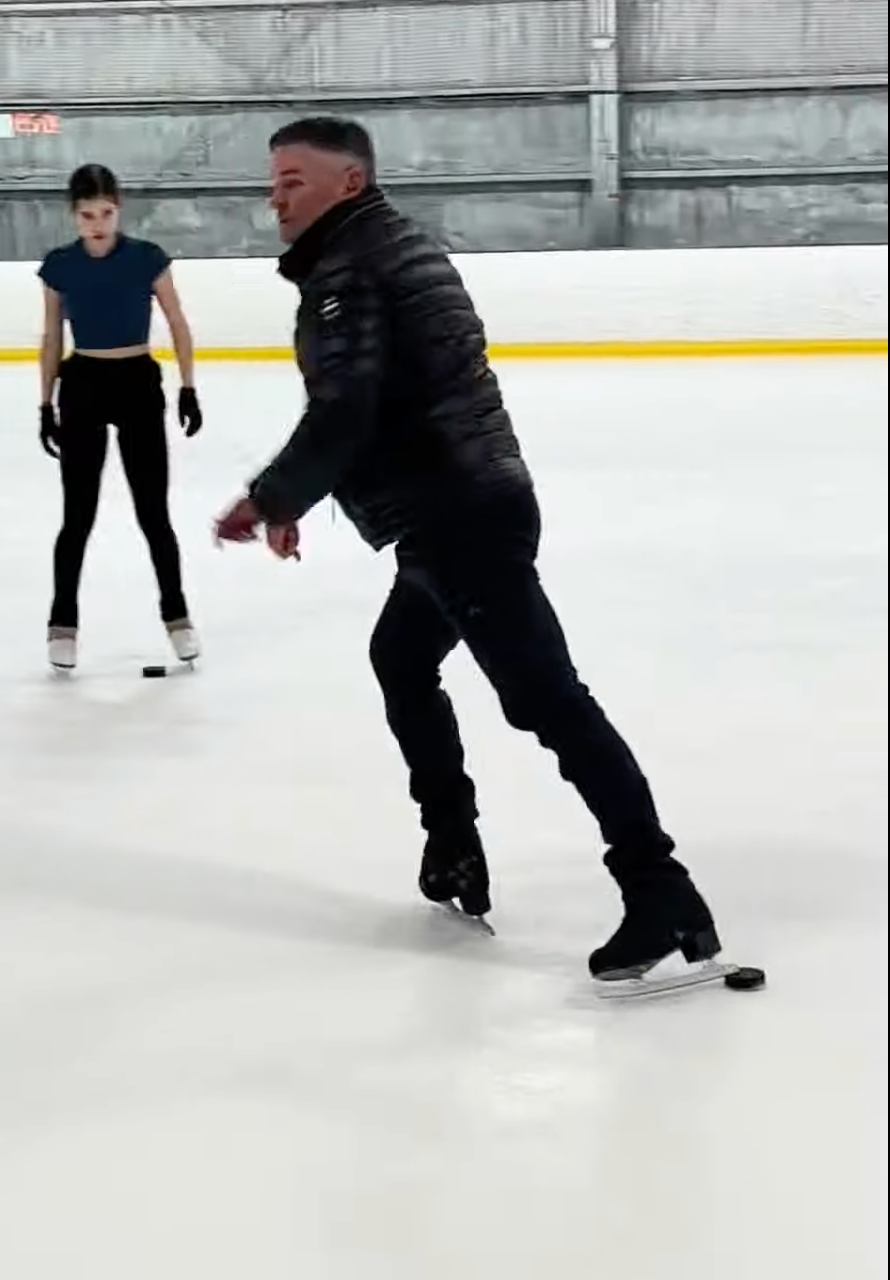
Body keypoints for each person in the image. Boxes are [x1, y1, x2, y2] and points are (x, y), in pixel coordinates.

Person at [213, 117, 721, 986]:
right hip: (471, 500)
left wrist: (270, 498)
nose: (275, 196)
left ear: (349, 182)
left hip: (458, 515)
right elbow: (390, 398)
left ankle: (661, 891)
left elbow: (349, 409)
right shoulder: (388, 250)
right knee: (401, 658)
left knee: (550, 703)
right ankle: (451, 844)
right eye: (273, 180)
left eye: (292, 179)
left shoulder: (351, 271)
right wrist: (306, 493)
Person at [38, 163, 203, 673]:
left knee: (153, 513)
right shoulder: (59, 266)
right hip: (83, 386)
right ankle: (62, 624)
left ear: (119, 208)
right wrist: (45, 403)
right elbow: (50, 337)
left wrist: (188, 386)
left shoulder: (147, 259)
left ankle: (177, 617)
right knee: (78, 515)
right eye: (87, 215)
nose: (97, 224)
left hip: (137, 384)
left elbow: (177, 321)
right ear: (74, 215)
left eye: (105, 213)